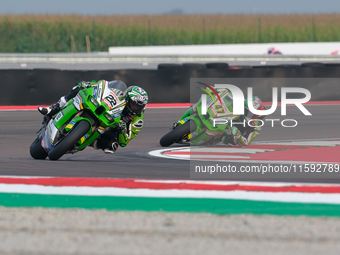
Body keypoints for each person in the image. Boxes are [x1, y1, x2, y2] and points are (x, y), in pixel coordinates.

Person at [38, 80, 148, 154]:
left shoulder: (138, 121)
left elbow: (124, 142)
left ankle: (87, 140)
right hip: (103, 110)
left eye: (139, 107)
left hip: (110, 126)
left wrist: (122, 129)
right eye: (133, 104)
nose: (135, 108)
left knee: (112, 145)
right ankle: (55, 108)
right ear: (127, 99)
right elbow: (102, 85)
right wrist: (88, 84)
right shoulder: (119, 96)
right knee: (79, 88)